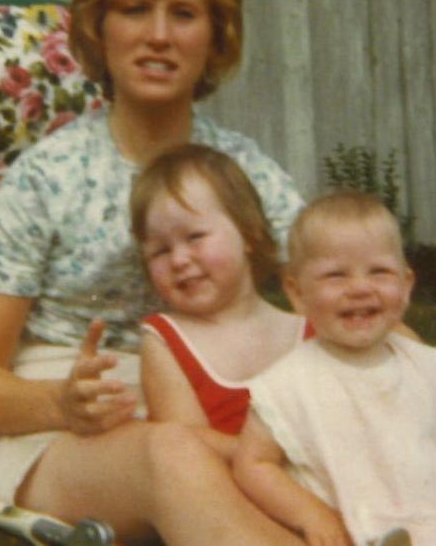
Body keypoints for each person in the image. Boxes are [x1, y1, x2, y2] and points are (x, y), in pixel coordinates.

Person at [0, 0, 436, 544]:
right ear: (97, 27)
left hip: (228, 411)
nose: (159, 34)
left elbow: (346, 286)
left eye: (184, 13)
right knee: (177, 455)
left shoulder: (241, 169)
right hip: (68, 432)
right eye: (136, 8)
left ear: (216, 37)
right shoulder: (44, 180)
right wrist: (61, 402)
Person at [233, 192, 436, 546]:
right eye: (335, 275)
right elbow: (253, 464)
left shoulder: (426, 366)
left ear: (405, 287)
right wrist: (310, 514)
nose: (359, 288)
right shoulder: (289, 383)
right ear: (297, 293)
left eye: (380, 272)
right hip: (355, 534)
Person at [131, 143, 313, 462]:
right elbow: (186, 445)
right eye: (160, 251)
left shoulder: (307, 331)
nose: (179, 260)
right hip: (222, 495)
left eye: (195, 237)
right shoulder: (165, 339)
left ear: (249, 234)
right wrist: (276, 461)